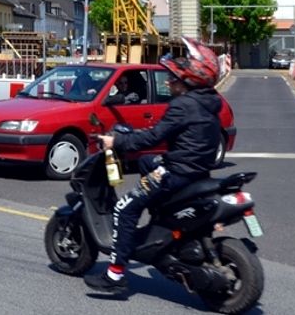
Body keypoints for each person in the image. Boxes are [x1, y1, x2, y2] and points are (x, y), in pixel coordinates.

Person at [83, 36, 226, 296]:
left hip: (177, 173)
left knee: (124, 209)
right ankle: (159, 226)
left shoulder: (183, 105)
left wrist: (117, 141)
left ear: (189, 80)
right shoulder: (210, 102)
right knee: (147, 161)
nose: (169, 81)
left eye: (174, 78)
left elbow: (152, 138)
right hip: (198, 171)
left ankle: (115, 275)